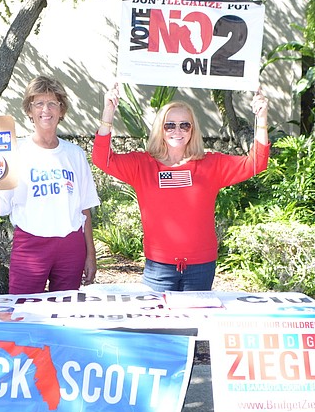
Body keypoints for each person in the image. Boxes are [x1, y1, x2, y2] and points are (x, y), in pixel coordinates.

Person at [94, 83, 270, 293]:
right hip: (159, 267)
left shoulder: (210, 164)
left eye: (184, 125)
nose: (177, 131)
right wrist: (108, 112)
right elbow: (101, 159)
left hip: (200, 267)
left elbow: (256, 163)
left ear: (192, 130)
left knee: (194, 324)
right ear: (161, 128)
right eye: (170, 125)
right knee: (158, 325)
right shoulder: (142, 165)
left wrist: (261, 119)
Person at [0, 76, 100, 294]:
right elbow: (0, 207)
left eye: (53, 103)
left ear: (61, 110)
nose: (46, 109)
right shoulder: (15, 152)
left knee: (65, 313)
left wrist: (90, 254)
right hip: (31, 245)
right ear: (29, 111)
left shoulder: (75, 154)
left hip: (71, 246)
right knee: (23, 311)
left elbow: (85, 208)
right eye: (39, 103)